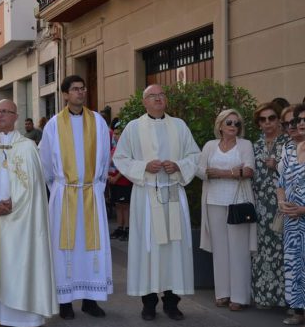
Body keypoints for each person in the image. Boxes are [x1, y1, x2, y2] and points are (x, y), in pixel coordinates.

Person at [0, 99, 58, 326]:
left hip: (22, 221)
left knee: (19, 265)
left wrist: (13, 203)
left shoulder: (27, 147)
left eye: (6, 112)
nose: (1, 115)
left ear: (16, 116)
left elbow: (34, 186)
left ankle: (23, 315)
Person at [113, 84, 200, 321]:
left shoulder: (179, 126)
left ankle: (172, 303)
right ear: (144, 102)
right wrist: (143, 167)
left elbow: (194, 155)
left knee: (173, 249)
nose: (158, 99)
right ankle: (148, 303)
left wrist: (179, 165)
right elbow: (120, 157)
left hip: (172, 192)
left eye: (162, 95)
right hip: (147, 195)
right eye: (153, 96)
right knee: (148, 248)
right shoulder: (133, 128)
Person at [39, 75, 112, 320]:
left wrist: (97, 186)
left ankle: (90, 300)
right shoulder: (53, 125)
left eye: (83, 88)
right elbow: (46, 163)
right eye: (75, 89)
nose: (81, 93)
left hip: (91, 193)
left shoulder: (98, 122)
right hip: (65, 197)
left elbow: (104, 159)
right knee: (64, 249)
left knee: (92, 248)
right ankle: (65, 302)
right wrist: (60, 188)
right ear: (65, 95)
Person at [196, 109, 257, 311]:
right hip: (213, 201)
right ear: (220, 125)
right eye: (229, 122)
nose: (233, 126)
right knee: (220, 249)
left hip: (238, 203)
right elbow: (200, 170)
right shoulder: (210, 146)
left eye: (237, 123)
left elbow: (248, 171)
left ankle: (239, 296)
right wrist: (232, 172)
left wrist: (220, 173)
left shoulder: (245, 145)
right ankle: (222, 293)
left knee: (238, 250)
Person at [251, 102, 289, 308]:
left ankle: (286, 298)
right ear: (258, 124)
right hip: (260, 205)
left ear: (278, 120)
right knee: (262, 249)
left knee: (283, 250)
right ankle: (264, 296)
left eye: (271, 118)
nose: (268, 123)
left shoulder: (289, 143)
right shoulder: (254, 145)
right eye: (263, 119)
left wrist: (278, 167)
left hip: (282, 204)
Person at [277, 104, 305, 325]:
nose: (300, 124)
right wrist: (281, 203)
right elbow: (281, 182)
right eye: (298, 120)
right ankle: (298, 311)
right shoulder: (288, 148)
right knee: (294, 264)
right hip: (291, 220)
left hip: (303, 215)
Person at [108, 119, 132, 242]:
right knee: (118, 205)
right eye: (115, 133)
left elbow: (126, 166)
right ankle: (119, 227)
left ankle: (126, 228)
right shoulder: (113, 149)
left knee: (125, 206)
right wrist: (109, 177)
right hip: (113, 182)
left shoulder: (127, 149)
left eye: (119, 134)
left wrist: (116, 177)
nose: (116, 136)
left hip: (123, 182)